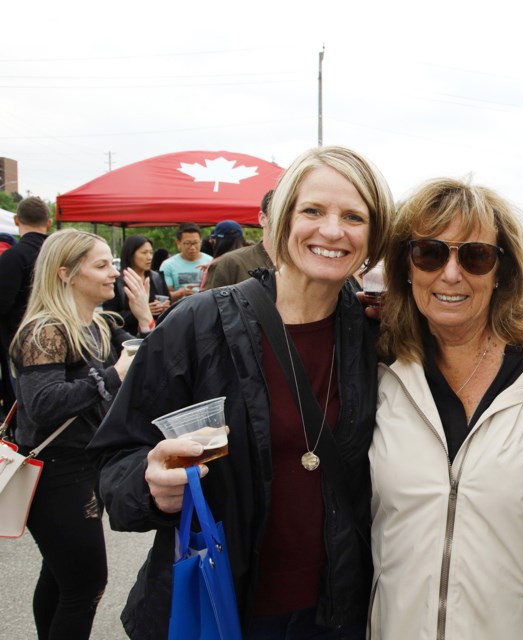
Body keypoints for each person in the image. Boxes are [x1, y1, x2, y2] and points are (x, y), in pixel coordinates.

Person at [87, 146, 394, 639]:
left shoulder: (379, 337)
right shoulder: (198, 324)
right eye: (312, 210)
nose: (332, 231)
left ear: (374, 234)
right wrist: (150, 484)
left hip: (338, 613)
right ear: (279, 221)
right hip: (221, 607)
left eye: (353, 216)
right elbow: (114, 462)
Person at [370, 177, 523, 639]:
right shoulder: (381, 367)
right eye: (430, 253)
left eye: (475, 256)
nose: (451, 273)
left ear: (501, 270)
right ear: (406, 266)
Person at [8, 229, 150, 640]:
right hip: (56, 471)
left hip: (86, 465)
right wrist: (112, 375)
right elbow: (43, 404)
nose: (113, 273)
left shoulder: (101, 324)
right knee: (86, 584)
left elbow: (149, 359)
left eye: (112, 263)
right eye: (102, 265)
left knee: (60, 576)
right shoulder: (45, 330)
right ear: (66, 273)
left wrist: (143, 317)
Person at [0, 196, 51, 422]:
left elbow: (2, 303)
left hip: (20, 344)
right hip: (65, 340)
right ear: (48, 222)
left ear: (16, 219)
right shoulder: (60, 255)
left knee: (25, 408)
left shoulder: (13, 256)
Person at [201, 191, 276, 290]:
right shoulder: (230, 263)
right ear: (262, 219)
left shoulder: (300, 263)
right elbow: (208, 304)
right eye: (277, 214)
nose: (285, 220)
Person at [102, 235, 172, 333]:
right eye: (144, 253)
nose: (149, 257)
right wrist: (141, 312)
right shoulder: (116, 281)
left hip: (156, 333)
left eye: (151, 252)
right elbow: (109, 316)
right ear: (131, 254)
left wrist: (165, 307)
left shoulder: (157, 278)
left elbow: (168, 303)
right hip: (126, 339)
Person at [158, 222, 212, 302]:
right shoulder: (168, 265)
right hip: (179, 310)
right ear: (178, 243)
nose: (192, 247)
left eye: (196, 243)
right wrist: (181, 293)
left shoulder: (210, 261)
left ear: (201, 241)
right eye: (188, 243)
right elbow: (163, 296)